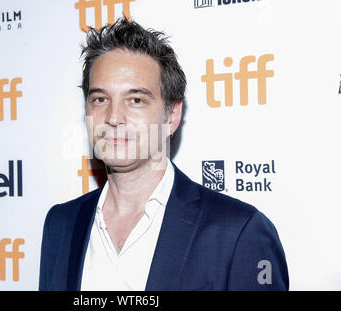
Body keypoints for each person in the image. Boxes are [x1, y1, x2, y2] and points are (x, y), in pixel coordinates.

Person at [39, 17, 288, 291]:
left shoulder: (238, 232)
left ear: (172, 116)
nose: (113, 117)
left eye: (136, 100)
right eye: (100, 99)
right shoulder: (61, 224)